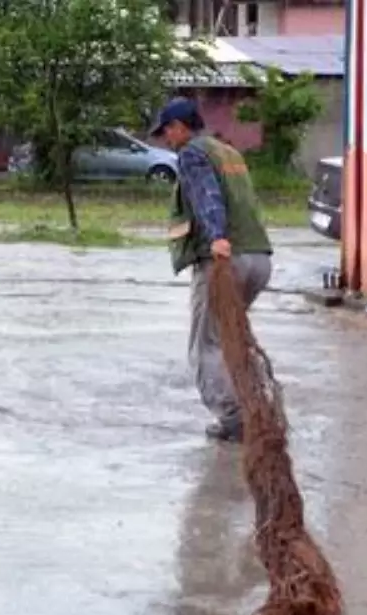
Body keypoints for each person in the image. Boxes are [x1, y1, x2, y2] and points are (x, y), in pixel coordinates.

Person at [150, 97, 274, 443]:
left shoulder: (192, 153)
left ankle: (234, 417)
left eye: (166, 131)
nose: (165, 139)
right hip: (259, 259)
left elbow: (208, 196)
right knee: (231, 337)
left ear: (179, 127)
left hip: (225, 260)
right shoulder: (228, 152)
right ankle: (256, 402)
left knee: (207, 344)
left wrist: (217, 237)